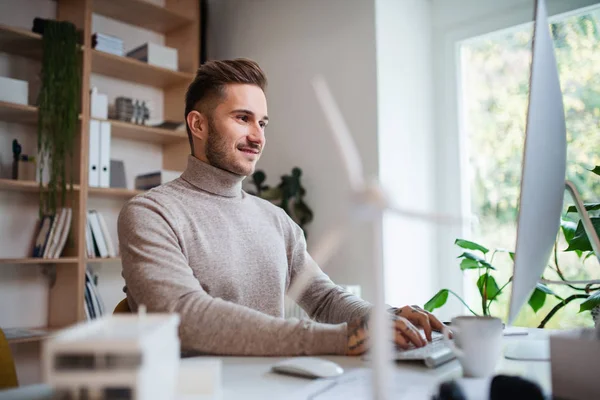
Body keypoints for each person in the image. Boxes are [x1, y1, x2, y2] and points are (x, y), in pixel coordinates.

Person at [118, 58, 446, 356]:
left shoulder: (275, 219)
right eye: (242, 118)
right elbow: (184, 315)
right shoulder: (151, 213)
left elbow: (325, 297)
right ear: (198, 125)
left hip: (280, 386)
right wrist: (339, 338)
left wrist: (385, 318)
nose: (257, 136)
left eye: (262, 123)